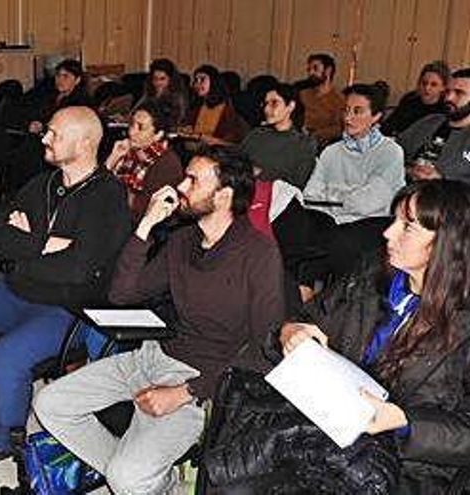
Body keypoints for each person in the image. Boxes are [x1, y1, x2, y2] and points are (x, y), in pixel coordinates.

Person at [34, 147, 285, 495]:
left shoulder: (258, 253)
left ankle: (134, 477)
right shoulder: (183, 241)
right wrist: (146, 226)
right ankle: (157, 482)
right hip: (155, 356)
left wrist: (185, 392)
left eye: (193, 180)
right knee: (50, 405)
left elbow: (266, 349)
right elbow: (123, 294)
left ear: (224, 195)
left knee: (127, 476)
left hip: (205, 384)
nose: (181, 185)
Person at [226, 179, 470, 494]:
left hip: (404, 468)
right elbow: (305, 322)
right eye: (394, 220)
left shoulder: (462, 325)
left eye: (407, 227)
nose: (387, 233)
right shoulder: (369, 277)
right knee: (238, 473)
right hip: (325, 433)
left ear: (448, 244)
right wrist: (289, 333)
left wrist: (405, 421)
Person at [0, 107, 132, 471]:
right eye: (47, 131)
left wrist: (28, 246)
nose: (44, 139)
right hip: (18, 289)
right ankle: (2, 410)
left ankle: (1, 439)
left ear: (85, 143)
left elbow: (80, 269)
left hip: (69, 308)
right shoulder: (44, 183)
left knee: (7, 356)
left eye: (55, 134)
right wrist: (45, 244)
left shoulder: (108, 197)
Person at [302, 83, 405, 287]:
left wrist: (331, 195)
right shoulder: (332, 151)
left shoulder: (390, 152)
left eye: (357, 111)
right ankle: (305, 300)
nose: (348, 118)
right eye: (346, 110)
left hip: (374, 222)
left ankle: (339, 305)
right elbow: (309, 196)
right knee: (302, 235)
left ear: (376, 116)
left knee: (339, 243)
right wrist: (350, 194)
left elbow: (368, 203)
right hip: (331, 220)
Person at [105, 100, 183, 220]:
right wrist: (113, 158)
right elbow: (97, 185)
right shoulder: (128, 150)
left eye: (141, 128)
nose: (131, 132)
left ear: (158, 135)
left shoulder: (167, 164)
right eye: (131, 124)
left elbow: (143, 212)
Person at [398, 68, 470, 184]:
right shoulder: (429, 121)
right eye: (447, 92)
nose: (449, 98)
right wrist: (409, 170)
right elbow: (394, 153)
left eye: (459, 93)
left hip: (447, 199)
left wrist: (442, 180)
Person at [240, 83, 317, 189]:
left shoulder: (303, 144)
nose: (267, 109)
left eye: (274, 103)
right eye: (266, 103)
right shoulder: (256, 134)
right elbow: (237, 163)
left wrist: (261, 174)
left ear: (290, 106)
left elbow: (298, 182)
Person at [183, 64, 249, 146]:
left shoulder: (227, 107)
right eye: (196, 80)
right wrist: (187, 129)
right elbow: (189, 126)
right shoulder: (196, 104)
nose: (197, 84)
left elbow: (231, 141)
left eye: (202, 80)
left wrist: (201, 137)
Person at [381, 61, 450, 136]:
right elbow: (389, 125)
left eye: (433, 85)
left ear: (443, 87)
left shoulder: (445, 110)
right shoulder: (410, 99)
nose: (427, 88)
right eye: (424, 83)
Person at [299, 53, 345, 146]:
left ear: (328, 71)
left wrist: (316, 134)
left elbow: (339, 128)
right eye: (309, 69)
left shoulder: (339, 100)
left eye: (315, 68)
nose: (311, 73)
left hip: (319, 143)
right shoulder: (303, 94)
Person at [133, 58, 189, 127]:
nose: (158, 83)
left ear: (170, 80)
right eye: (155, 79)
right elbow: (136, 111)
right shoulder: (149, 94)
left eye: (162, 79)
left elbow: (175, 121)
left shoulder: (177, 97)